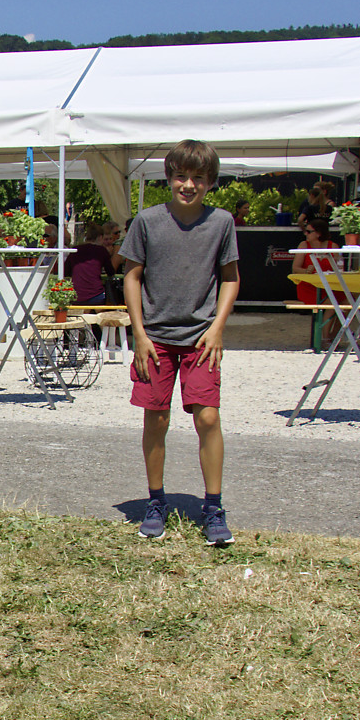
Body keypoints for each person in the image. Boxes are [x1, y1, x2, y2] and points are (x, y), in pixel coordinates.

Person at [122, 139, 240, 547]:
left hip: (201, 338)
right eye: (181, 176)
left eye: (198, 178)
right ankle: (156, 502)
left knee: (208, 419)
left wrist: (218, 327)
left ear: (211, 182)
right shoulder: (147, 221)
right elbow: (132, 276)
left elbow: (230, 277)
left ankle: (213, 507)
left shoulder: (222, 223)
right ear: (169, 178)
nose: (188, 185)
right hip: (154, 338)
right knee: (156, 420)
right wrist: (139, 333)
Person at [66, 221, 121, 305]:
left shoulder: (75, 250)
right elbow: (110, 272)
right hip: (96, 294)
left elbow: (66, 271)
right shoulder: (101, 251)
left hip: (76, 294)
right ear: (100, 237)